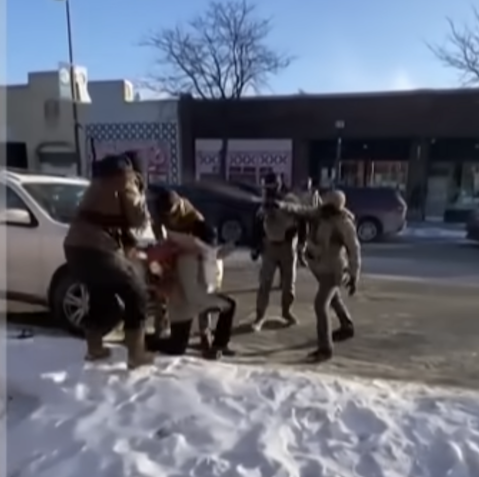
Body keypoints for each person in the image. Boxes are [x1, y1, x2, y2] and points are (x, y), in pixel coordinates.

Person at [62, 154, 154, 368]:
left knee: (103, 299)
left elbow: (109, 217)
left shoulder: (100, 181)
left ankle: (95, 349)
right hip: (97, 247)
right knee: (137, 292)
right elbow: (137, 218)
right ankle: (136, 354)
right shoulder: (126, 179)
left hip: (74, 247)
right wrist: (142, 195)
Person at [145, 190, 238, 359]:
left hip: (190, 285)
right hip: (181, 292)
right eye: (165, 216)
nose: (169, 219)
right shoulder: (165, 222)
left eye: (171, 214)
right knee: (176, 346)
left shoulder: (194, 221)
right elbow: (160, 246)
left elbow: (209, 264)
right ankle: (144, 339)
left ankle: (212, 341)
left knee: (217, 303)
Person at [303, 189, 361, 362]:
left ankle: (325, 348)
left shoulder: (344, 223)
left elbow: (354, 250)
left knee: (320, 305)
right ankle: (346, 326)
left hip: (334, 270)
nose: (323, 206)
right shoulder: (321, 217)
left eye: (327, 204)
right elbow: (302, 211)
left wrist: (354, 275)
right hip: (321, 267)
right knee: (334, 298)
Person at [249, 172, 305, 330]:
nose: (269, 189)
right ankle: (260, 316)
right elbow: (257, 224)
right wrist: (255, 246)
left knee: (288, 284)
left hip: (288, 246)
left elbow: (302, 220)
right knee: (264, 283)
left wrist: (301, 244)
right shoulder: (263, 201)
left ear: (279, 184)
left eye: (272, 186)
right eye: (266, 187)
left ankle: (286, 312)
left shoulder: (290, 200)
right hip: (270, 247)